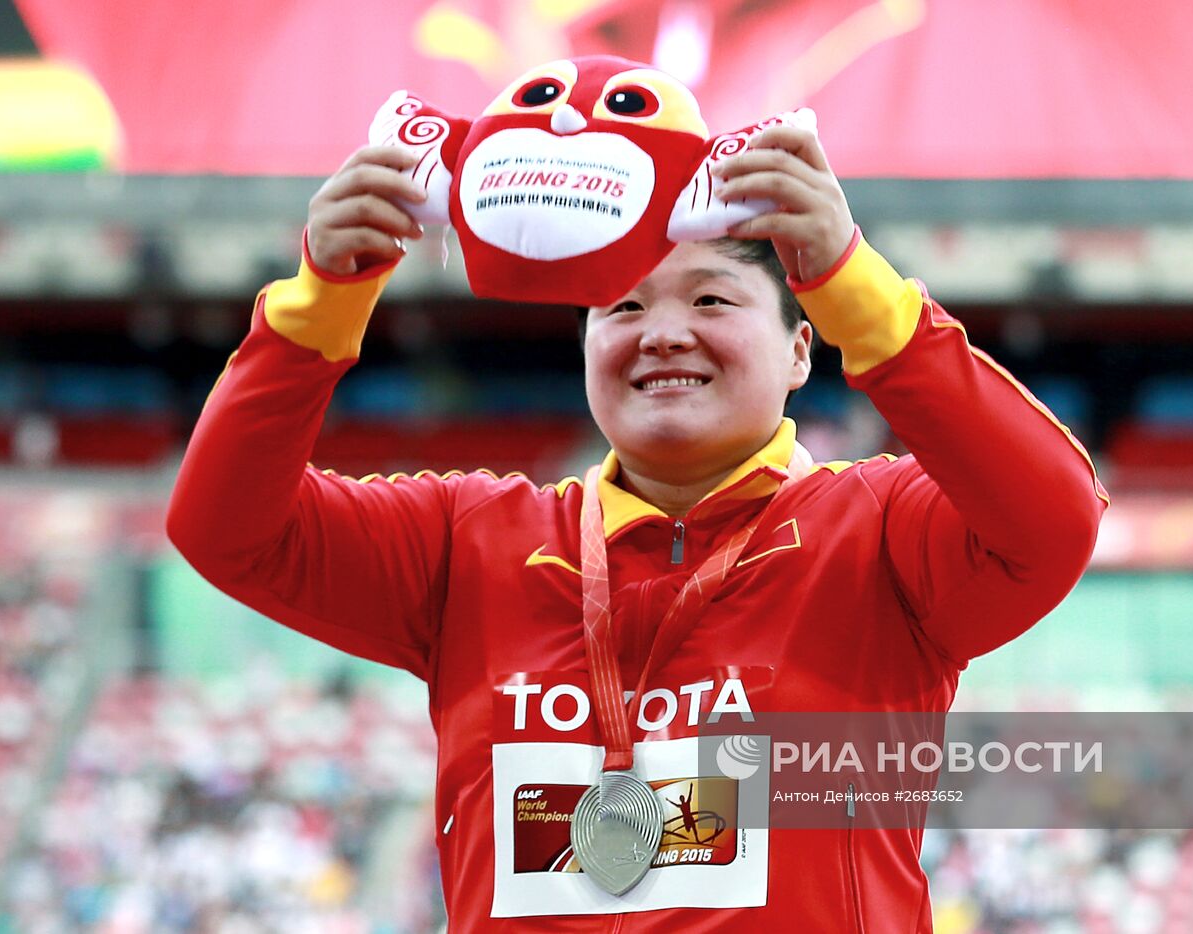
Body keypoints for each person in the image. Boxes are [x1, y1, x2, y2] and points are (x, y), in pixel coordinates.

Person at [167, 125, 1108, 930]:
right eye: (621, 307)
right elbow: (225, 527)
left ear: (799, 347)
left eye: (709, 299)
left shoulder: (880, 530)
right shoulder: (468, 540)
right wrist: (318, 300)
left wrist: (854, 279)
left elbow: (1055, 518)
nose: (661, 332)